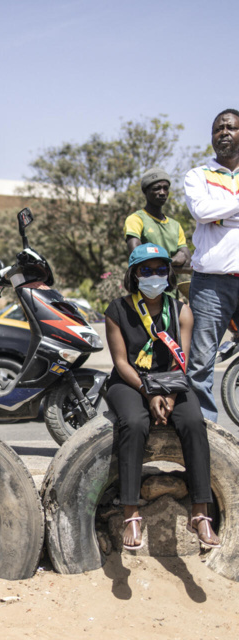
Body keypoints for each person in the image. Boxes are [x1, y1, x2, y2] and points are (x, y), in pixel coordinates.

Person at [105, 243, 219, 551]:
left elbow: (181, 359)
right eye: (146, 270)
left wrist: (167, 394)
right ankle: (131, 511)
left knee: (195, 421)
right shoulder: (117, 309)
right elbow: (120, 362)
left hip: (170, 380)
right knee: (133, 422)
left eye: (160, 269)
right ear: (134, 275)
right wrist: (147, 391)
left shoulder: (181, 310)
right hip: (130, 382)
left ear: (167, 274)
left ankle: (200, 511)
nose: (154, 276)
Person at [184, 108, 239, 421]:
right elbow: (203, 212)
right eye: (218, 128)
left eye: (231, 127)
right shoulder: (198, 175)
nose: (224, 132)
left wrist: (223, 214)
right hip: (211, 284)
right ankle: (203, 439)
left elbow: (214, 212)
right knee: (201, 364)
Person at [124, 167, 190, 271]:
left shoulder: (175, 226)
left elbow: (187, 261)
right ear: (145, 191)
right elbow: (136, 258)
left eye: (165, 188)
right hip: (144, 286)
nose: (162, 192)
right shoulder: (136, 219)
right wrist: (173, 261)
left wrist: (156, 264)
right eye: (156, 188)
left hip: (170, 287)